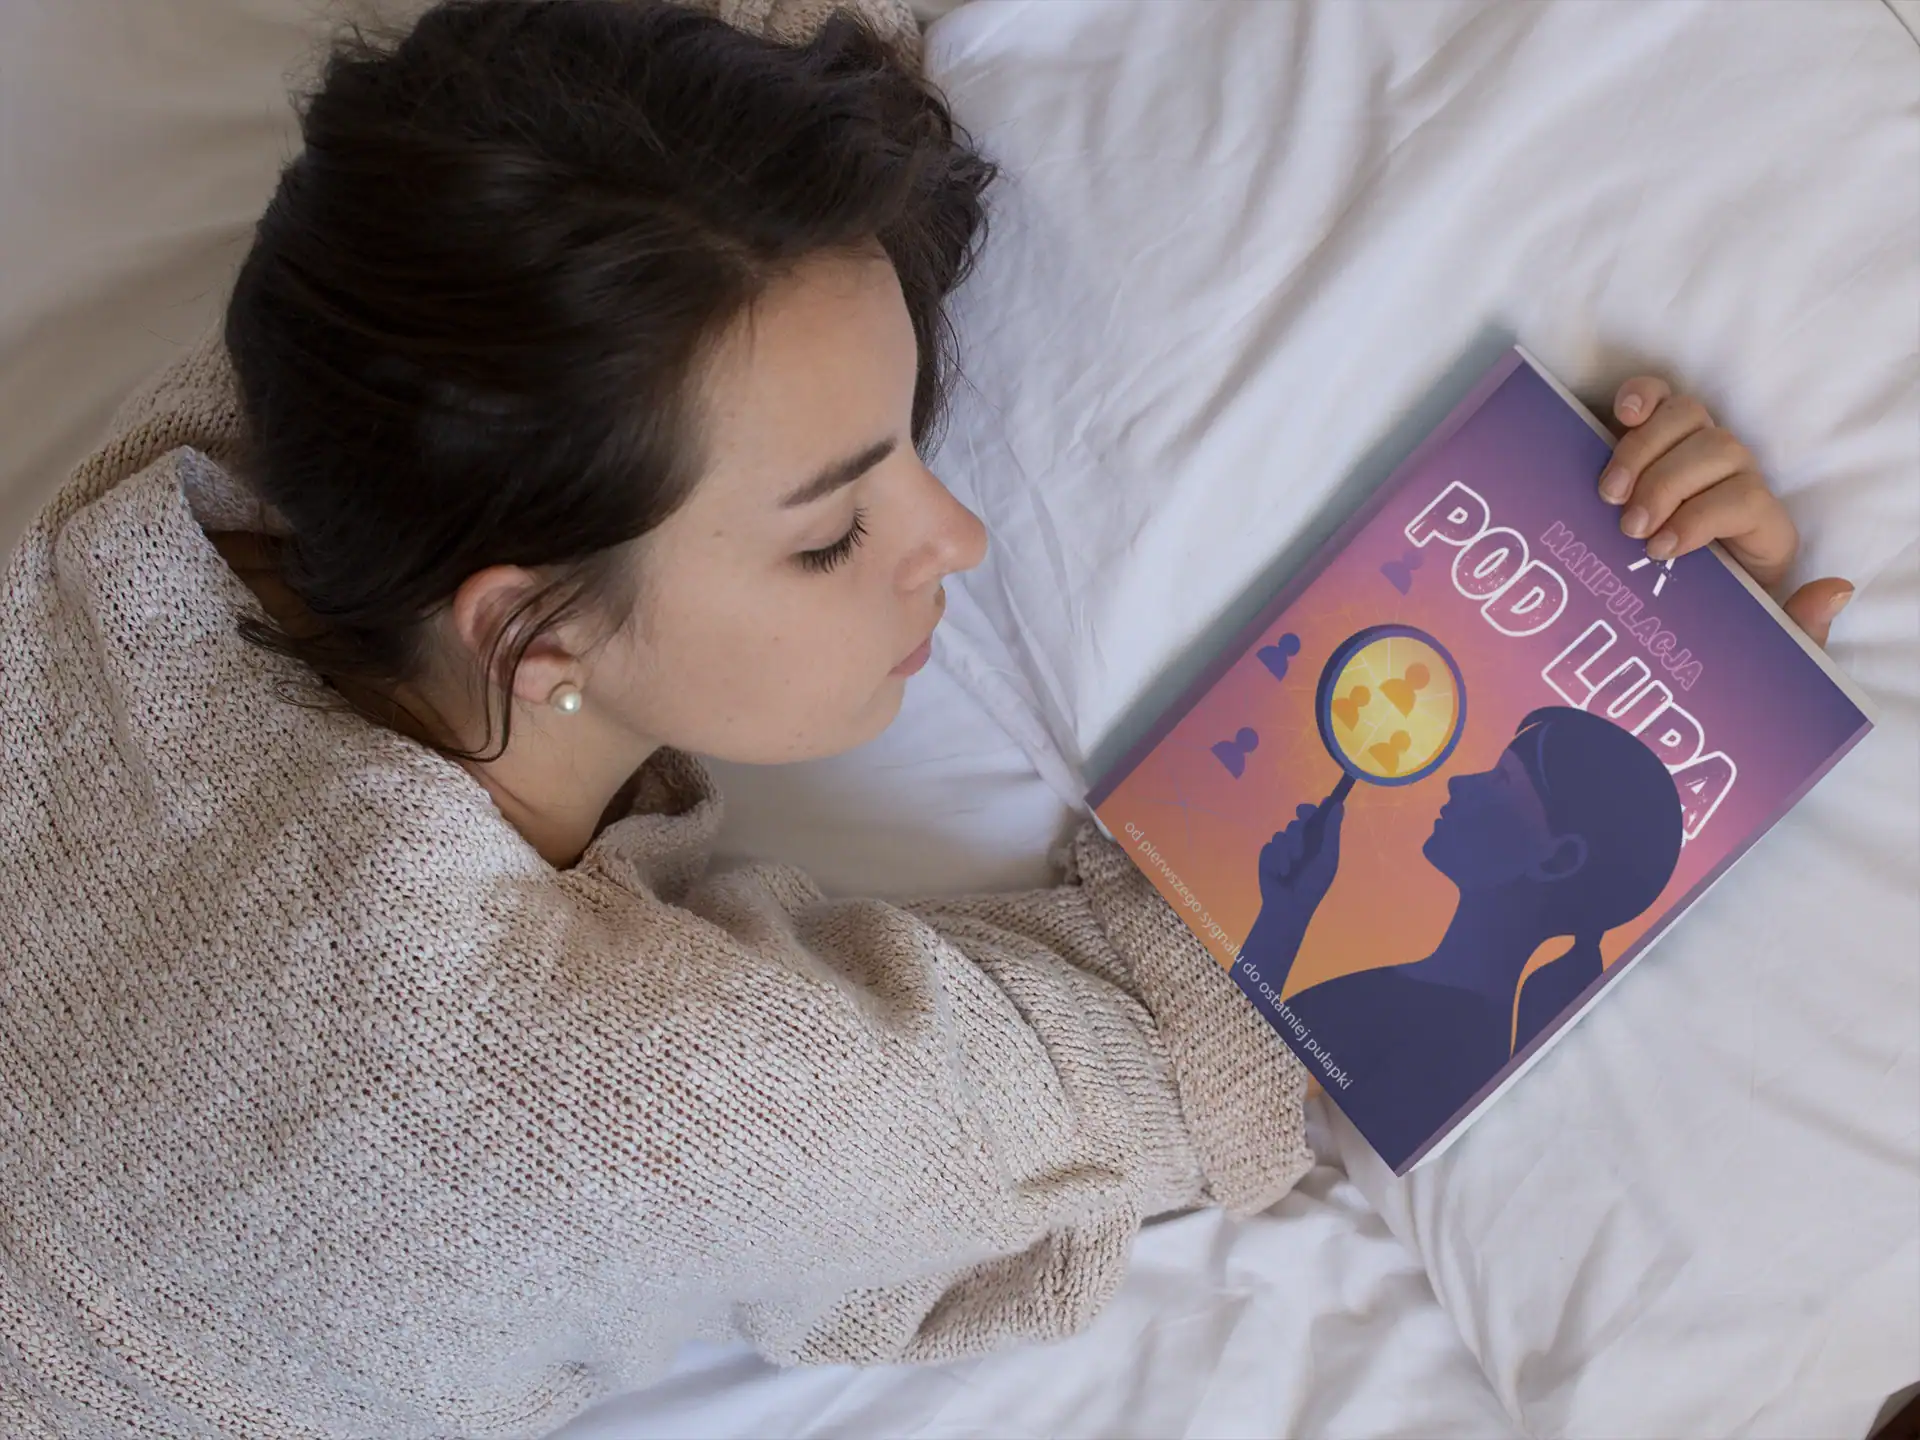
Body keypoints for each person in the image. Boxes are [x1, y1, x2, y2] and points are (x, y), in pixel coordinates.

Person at [0, 0, 1852, 1434]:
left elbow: (559, 168)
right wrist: (1654, 634)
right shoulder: (596, 1100)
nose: (951, 536)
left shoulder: (202, 487)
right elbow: (1207, 1024)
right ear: (532, 622)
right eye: (833, 533)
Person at [1241, 706, 1687, 1169]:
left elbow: (1241, 1093)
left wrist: (1283, 919)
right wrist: (1286, 911)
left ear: (1556, 859)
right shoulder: (1437, 1010)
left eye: (1502, 779)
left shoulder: (1450, 1057)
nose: (1459, 783)